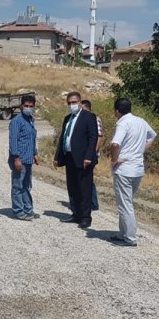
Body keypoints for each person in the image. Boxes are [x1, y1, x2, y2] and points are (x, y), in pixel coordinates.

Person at [109, 97, 157, 246]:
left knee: (125, 205)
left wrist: (114, 160)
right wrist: (140, 151)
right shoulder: (141, 121)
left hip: (124, 169)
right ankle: (122, 233)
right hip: (137, 169)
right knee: (127, 202)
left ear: (117, 111)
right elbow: (153, 135)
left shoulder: (123, 123)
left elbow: (115, 144)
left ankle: (130, 238)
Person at [53, 91, 99, 229]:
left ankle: (85, 217)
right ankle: (76, 214)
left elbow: (93, 137)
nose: (71, 105)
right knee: (72, 188)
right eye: (69, 103)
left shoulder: (88, 117)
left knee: (84, 188)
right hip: (69, 157)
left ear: (79, 102)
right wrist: (57, 157)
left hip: (84, 159)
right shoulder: (68, 118)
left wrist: (89, 156)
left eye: (74, 102)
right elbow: (63, 138)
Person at [8, 95, 41, 220]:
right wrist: (16, 158)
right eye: (26, 106)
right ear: (21, 106)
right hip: (19, 159)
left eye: (31, 106)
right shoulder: (16, 121)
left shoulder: (30, 120)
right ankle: (18, 211)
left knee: (27, 186)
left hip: (28, 159)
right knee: (18, 186)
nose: (28, 108)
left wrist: (35, 153)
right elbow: (13, 141)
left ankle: (28, 210)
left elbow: (31, 139)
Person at [81, 100, 104, 211]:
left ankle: (93, 204)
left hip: (90, 155)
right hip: (84, 154)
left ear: (87, 108)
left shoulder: (95, 119)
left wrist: (92, 153)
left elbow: (99, 137)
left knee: (87, 179)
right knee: (82, 178)